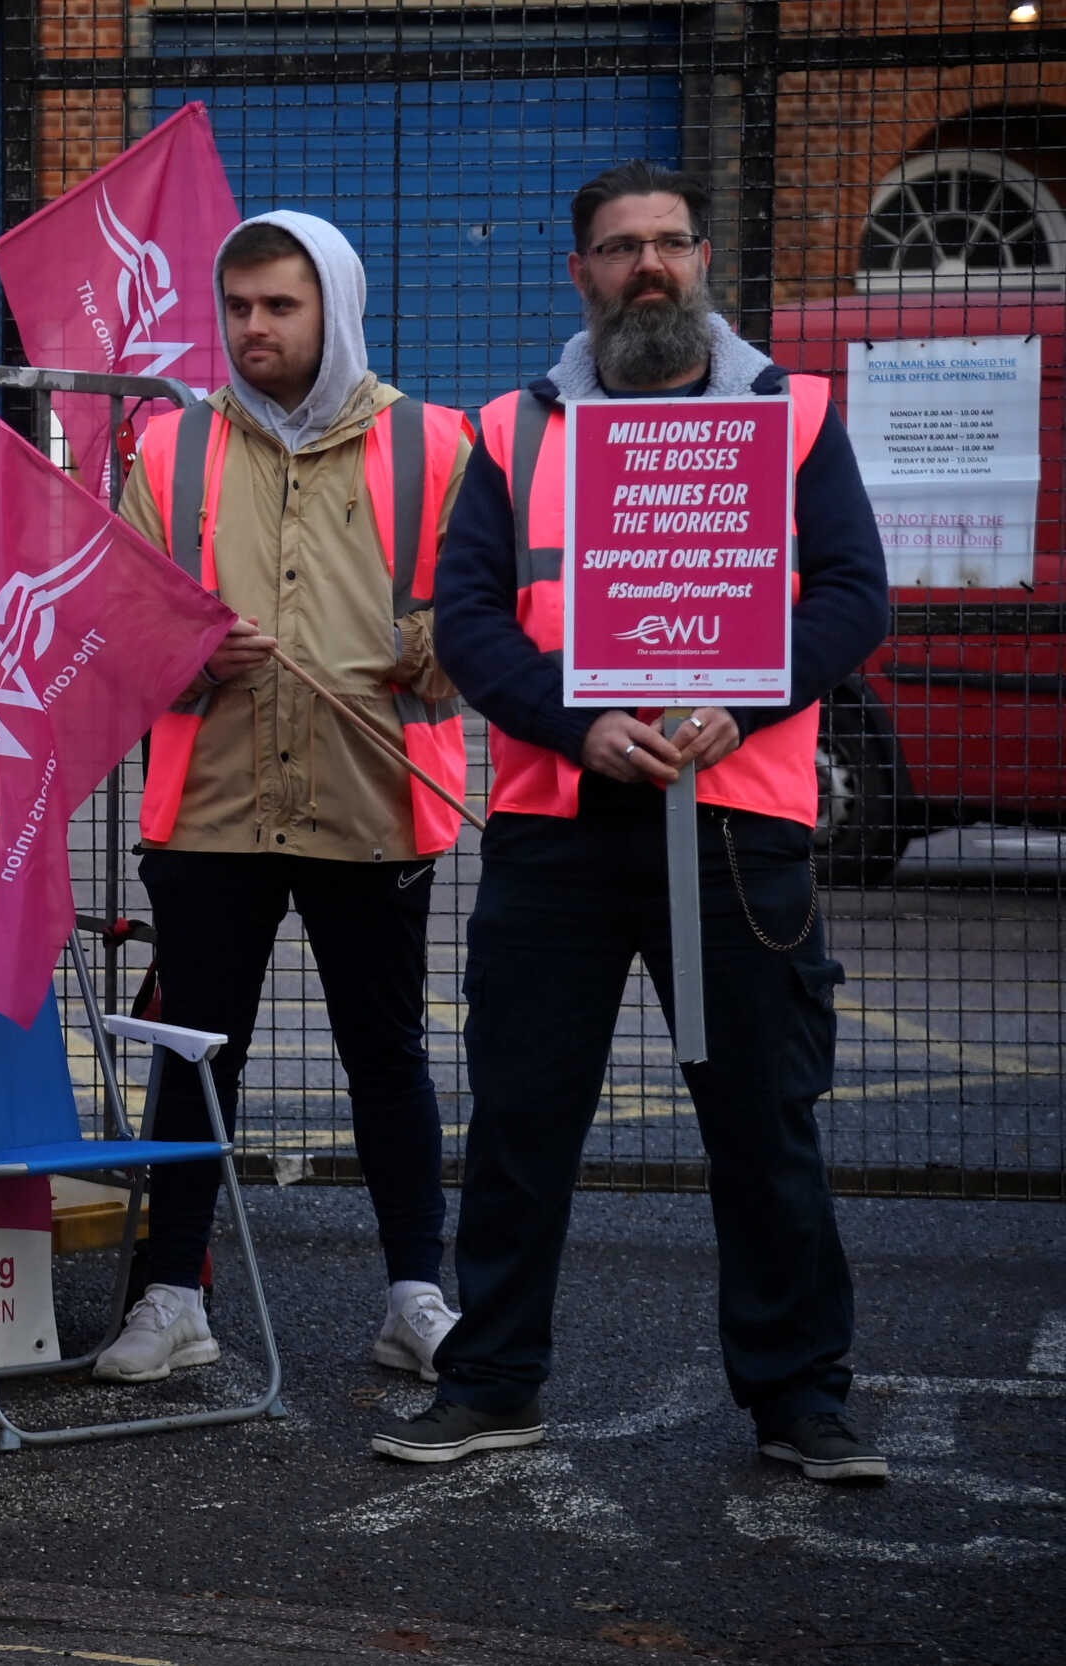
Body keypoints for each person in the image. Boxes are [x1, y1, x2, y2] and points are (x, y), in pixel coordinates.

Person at [373, 162, 891, 1481]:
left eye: (669, 243)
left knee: (763, 1124)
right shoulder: (515, 430)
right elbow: (471, 618)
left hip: (735, 820)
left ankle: (800, 1402)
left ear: (707, 256)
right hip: (560, 819)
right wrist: (573, 721)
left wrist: (741, 695)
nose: (647, 267)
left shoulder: (790, 415)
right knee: (522, 1118)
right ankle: (492, 1382)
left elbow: (850, 597)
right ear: (580, 272)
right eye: (619, 248)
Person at [100, 212, 475, 1385]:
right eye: (239, 308)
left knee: (386, 1054)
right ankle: (170, 1298)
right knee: (190, 1055)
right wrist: (193, 654)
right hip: (208, 808)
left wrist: (433, 646)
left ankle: (414, 1296)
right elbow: (115, 621)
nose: (253, 329)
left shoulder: (440, 447)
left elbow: (493, 623)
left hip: (373, 805)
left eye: (281, 307)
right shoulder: (167, 449)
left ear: (338, 311)